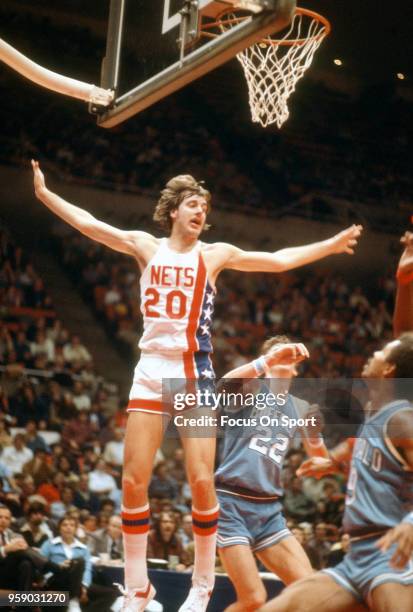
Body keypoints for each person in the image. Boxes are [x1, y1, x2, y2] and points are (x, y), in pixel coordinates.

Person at [32, 160, 362, 612]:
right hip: (150, 369)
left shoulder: (215, 254)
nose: (200, 212)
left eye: (205, 207)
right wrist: (45, 194)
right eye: (193, 204)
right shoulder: (145, 245)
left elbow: (278, 260)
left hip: (192, 374)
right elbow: (90, 224)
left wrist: (329, 244)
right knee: (132, 482)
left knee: (202, 480)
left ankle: (203, 583)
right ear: (173, 211)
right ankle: (137, 588)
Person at [259, 333, 413, 612]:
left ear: (389, 369)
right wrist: (336, 464)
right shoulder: (376, 412)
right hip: (356, 559)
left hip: (394, 559)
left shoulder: (402, 420)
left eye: (382, 350)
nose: (374, 352)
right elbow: (382, 467)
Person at [214, 337, 329, 610]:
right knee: (253, 598)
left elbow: (322, 462)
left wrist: (319, 449)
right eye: (276, 354)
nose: (283, 357)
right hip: (231, 502)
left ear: (297, 369)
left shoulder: (301, 408)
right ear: (265, 364)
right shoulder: (250, 391)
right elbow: (223, 385)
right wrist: (271, 358)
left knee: (312, 593)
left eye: (287, 355)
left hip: (268, 511)